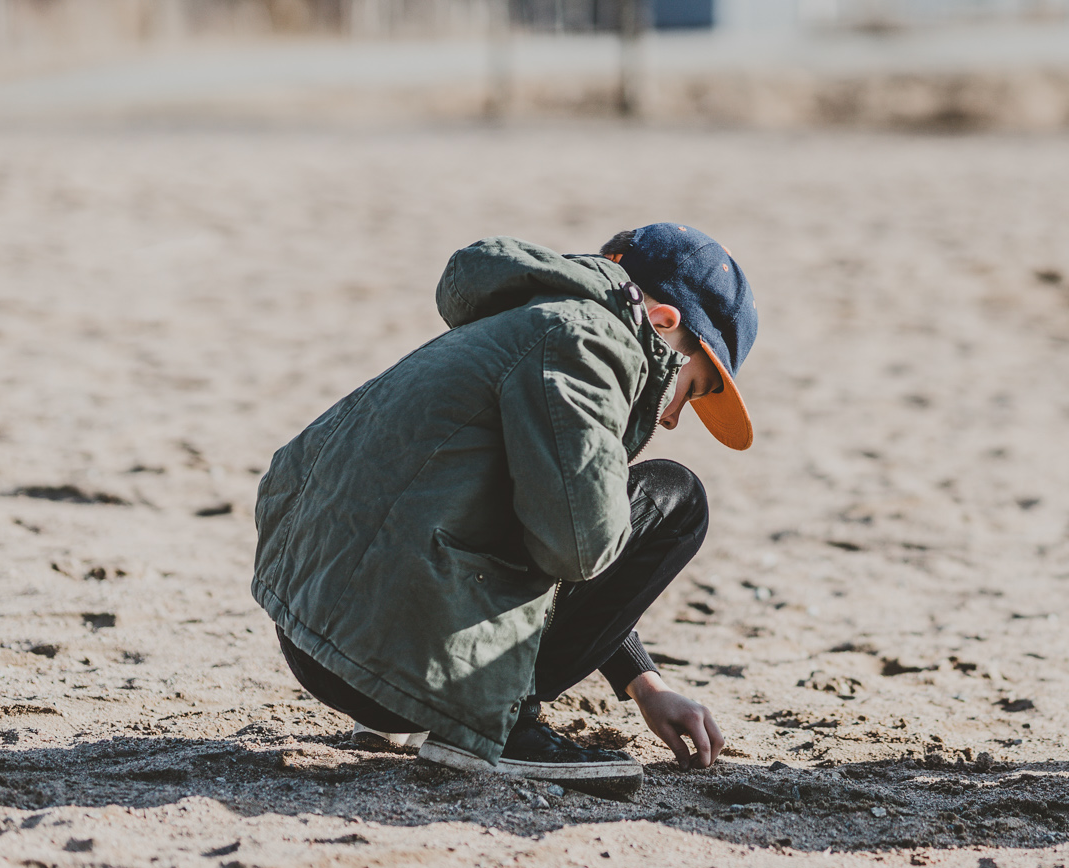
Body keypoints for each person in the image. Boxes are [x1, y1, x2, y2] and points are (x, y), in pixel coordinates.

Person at [252, 224, 758, 799]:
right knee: (674, 498)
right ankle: (500, 727)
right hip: (380, 658)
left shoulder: (533, 318)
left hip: (317, 632)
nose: (671, 417)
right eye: (692, 388)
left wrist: (644, 682)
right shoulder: (591, 343)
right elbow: (577, 546)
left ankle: (443, 702)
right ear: (665, 322)